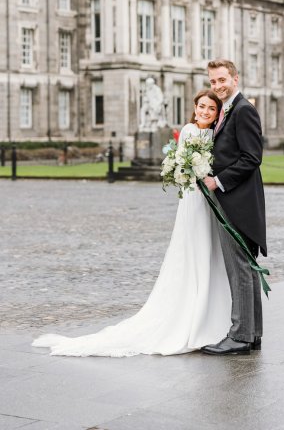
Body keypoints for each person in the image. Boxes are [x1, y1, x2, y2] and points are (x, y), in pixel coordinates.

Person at [32, 90, 231, 357]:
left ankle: (211, 313)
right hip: (194, 201)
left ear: (217, 113)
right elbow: (183, 169)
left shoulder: (216, 134)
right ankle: (193, 318)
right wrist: (190, 174)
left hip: (212, 199)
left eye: (211, 108)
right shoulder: (187, 131)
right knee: (194, 252)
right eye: (202, 106)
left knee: (212, 254)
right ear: (194, 108)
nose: (206, 111)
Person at [201, 59, 267, 356]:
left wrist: (218, 182)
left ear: (235, 79)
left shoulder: (243, 110)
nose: (217, 86)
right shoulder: (228, 110)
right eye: (213, 82)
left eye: (222, 80)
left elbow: (252, 158)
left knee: (239, 267)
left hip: (237, 201)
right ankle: (252, 334)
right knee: (246, 268)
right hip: (235, 199)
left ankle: (240, 335)